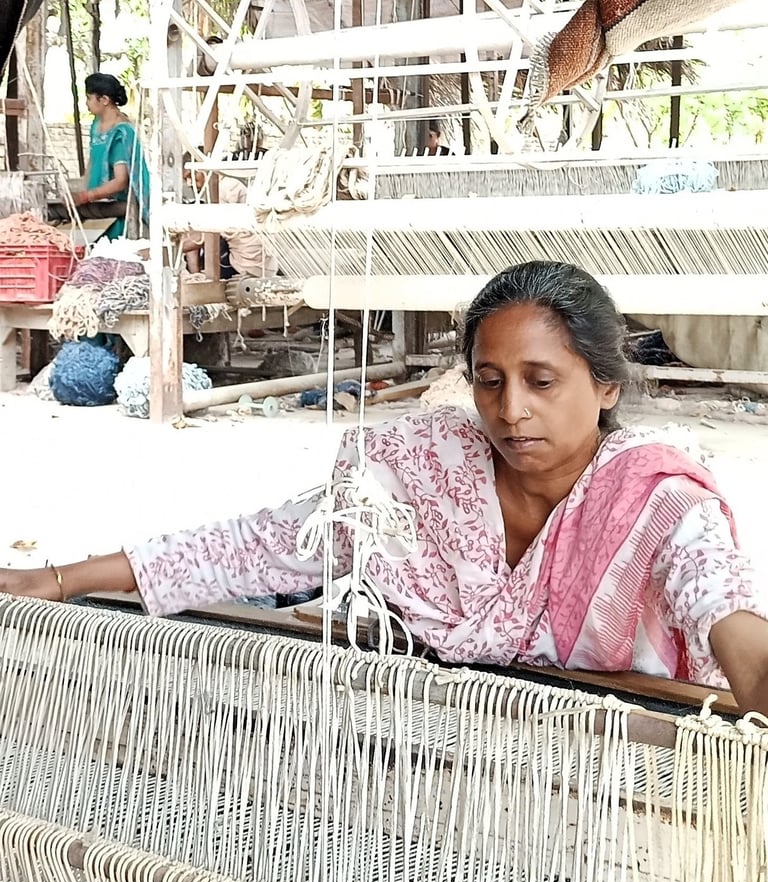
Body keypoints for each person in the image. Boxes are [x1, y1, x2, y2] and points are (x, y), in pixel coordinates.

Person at [2, 261, 767, 715]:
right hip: (452, 759)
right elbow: (262, 546)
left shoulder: (659, 504)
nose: (511, 410)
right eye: (490, 382)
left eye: (542, 381)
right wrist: (60, 580)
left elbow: (724, 609)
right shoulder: (419, 476)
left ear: (604, 387)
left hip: (623, 779)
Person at [57, 73, 150, 240]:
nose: (86, 103)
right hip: (95, 204)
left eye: (89, 98)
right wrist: (82, 191)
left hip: (116, 209)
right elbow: (92, 162)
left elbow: (121, 181)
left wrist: (87, 196)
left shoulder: (121, 132)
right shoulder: (96, 124)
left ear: (104, 100)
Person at [181, 155, 278, 278]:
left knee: (202, 235)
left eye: (191, 176)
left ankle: (197, 279)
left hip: (249, 264)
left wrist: (176, 248)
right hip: (264, 264)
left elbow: (208, 234)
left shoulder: (222, 190)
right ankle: (196, 277)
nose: (189, 183)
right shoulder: (230, 185)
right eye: (186, 180)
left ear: (202, 170)